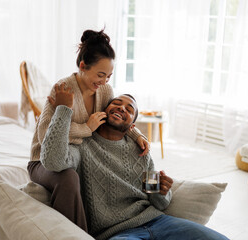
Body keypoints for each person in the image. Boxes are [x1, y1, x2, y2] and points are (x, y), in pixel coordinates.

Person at [39, 87, 229, 240]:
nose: (122, 108)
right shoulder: (83, 145)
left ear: (132, 126)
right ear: (104, 111)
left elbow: (160, 203)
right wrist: (63, 110)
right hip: (117, 233)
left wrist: (163, 191)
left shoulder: (141, 151)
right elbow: (53, 162)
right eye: (117, 103)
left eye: (129, 109)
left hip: (159, 221)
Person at [28, 29, 149, 232]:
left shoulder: (105, 91)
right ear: (83, 66)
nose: (104, 82)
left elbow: (114, 117)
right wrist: (85, 128)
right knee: (68, 177)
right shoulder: (63, 89)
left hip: (78, 153)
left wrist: (135, 134)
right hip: (43, 159)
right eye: (100, 75)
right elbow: (44, 136)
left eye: (109, 76)